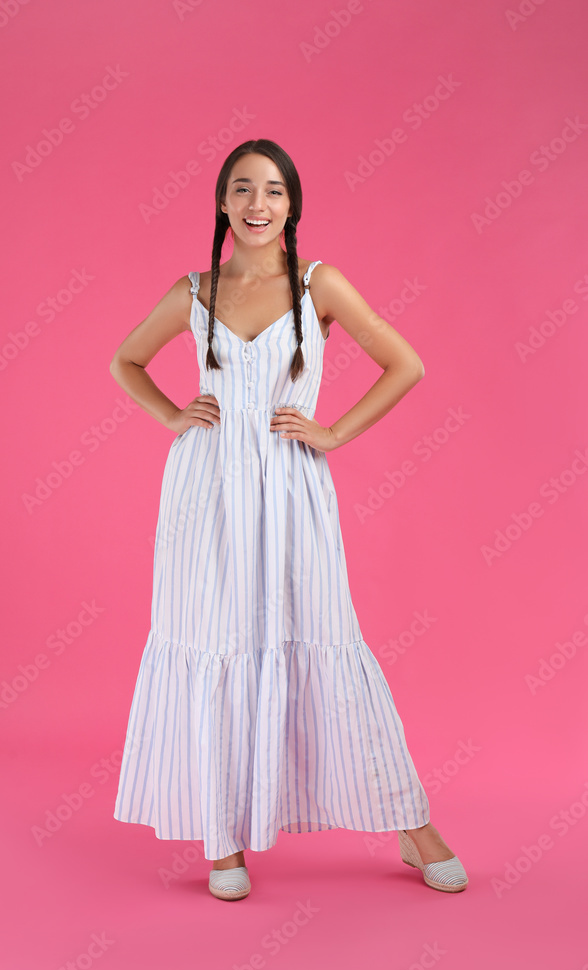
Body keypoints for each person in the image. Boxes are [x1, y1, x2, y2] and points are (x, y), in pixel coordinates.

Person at [110, 138, 468, 901]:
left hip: (292, 490)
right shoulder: (192, 291)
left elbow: (405, 363)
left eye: (272, 190)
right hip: (203, 496)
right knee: (214, 641)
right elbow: (125, 362)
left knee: (325, 640)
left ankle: (412, 823)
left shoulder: (320, 284)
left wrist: (332, 432)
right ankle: (225, 837)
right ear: (221, 203)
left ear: (293, 205)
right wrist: (176, 415)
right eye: (242, 189)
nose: (257, 204)